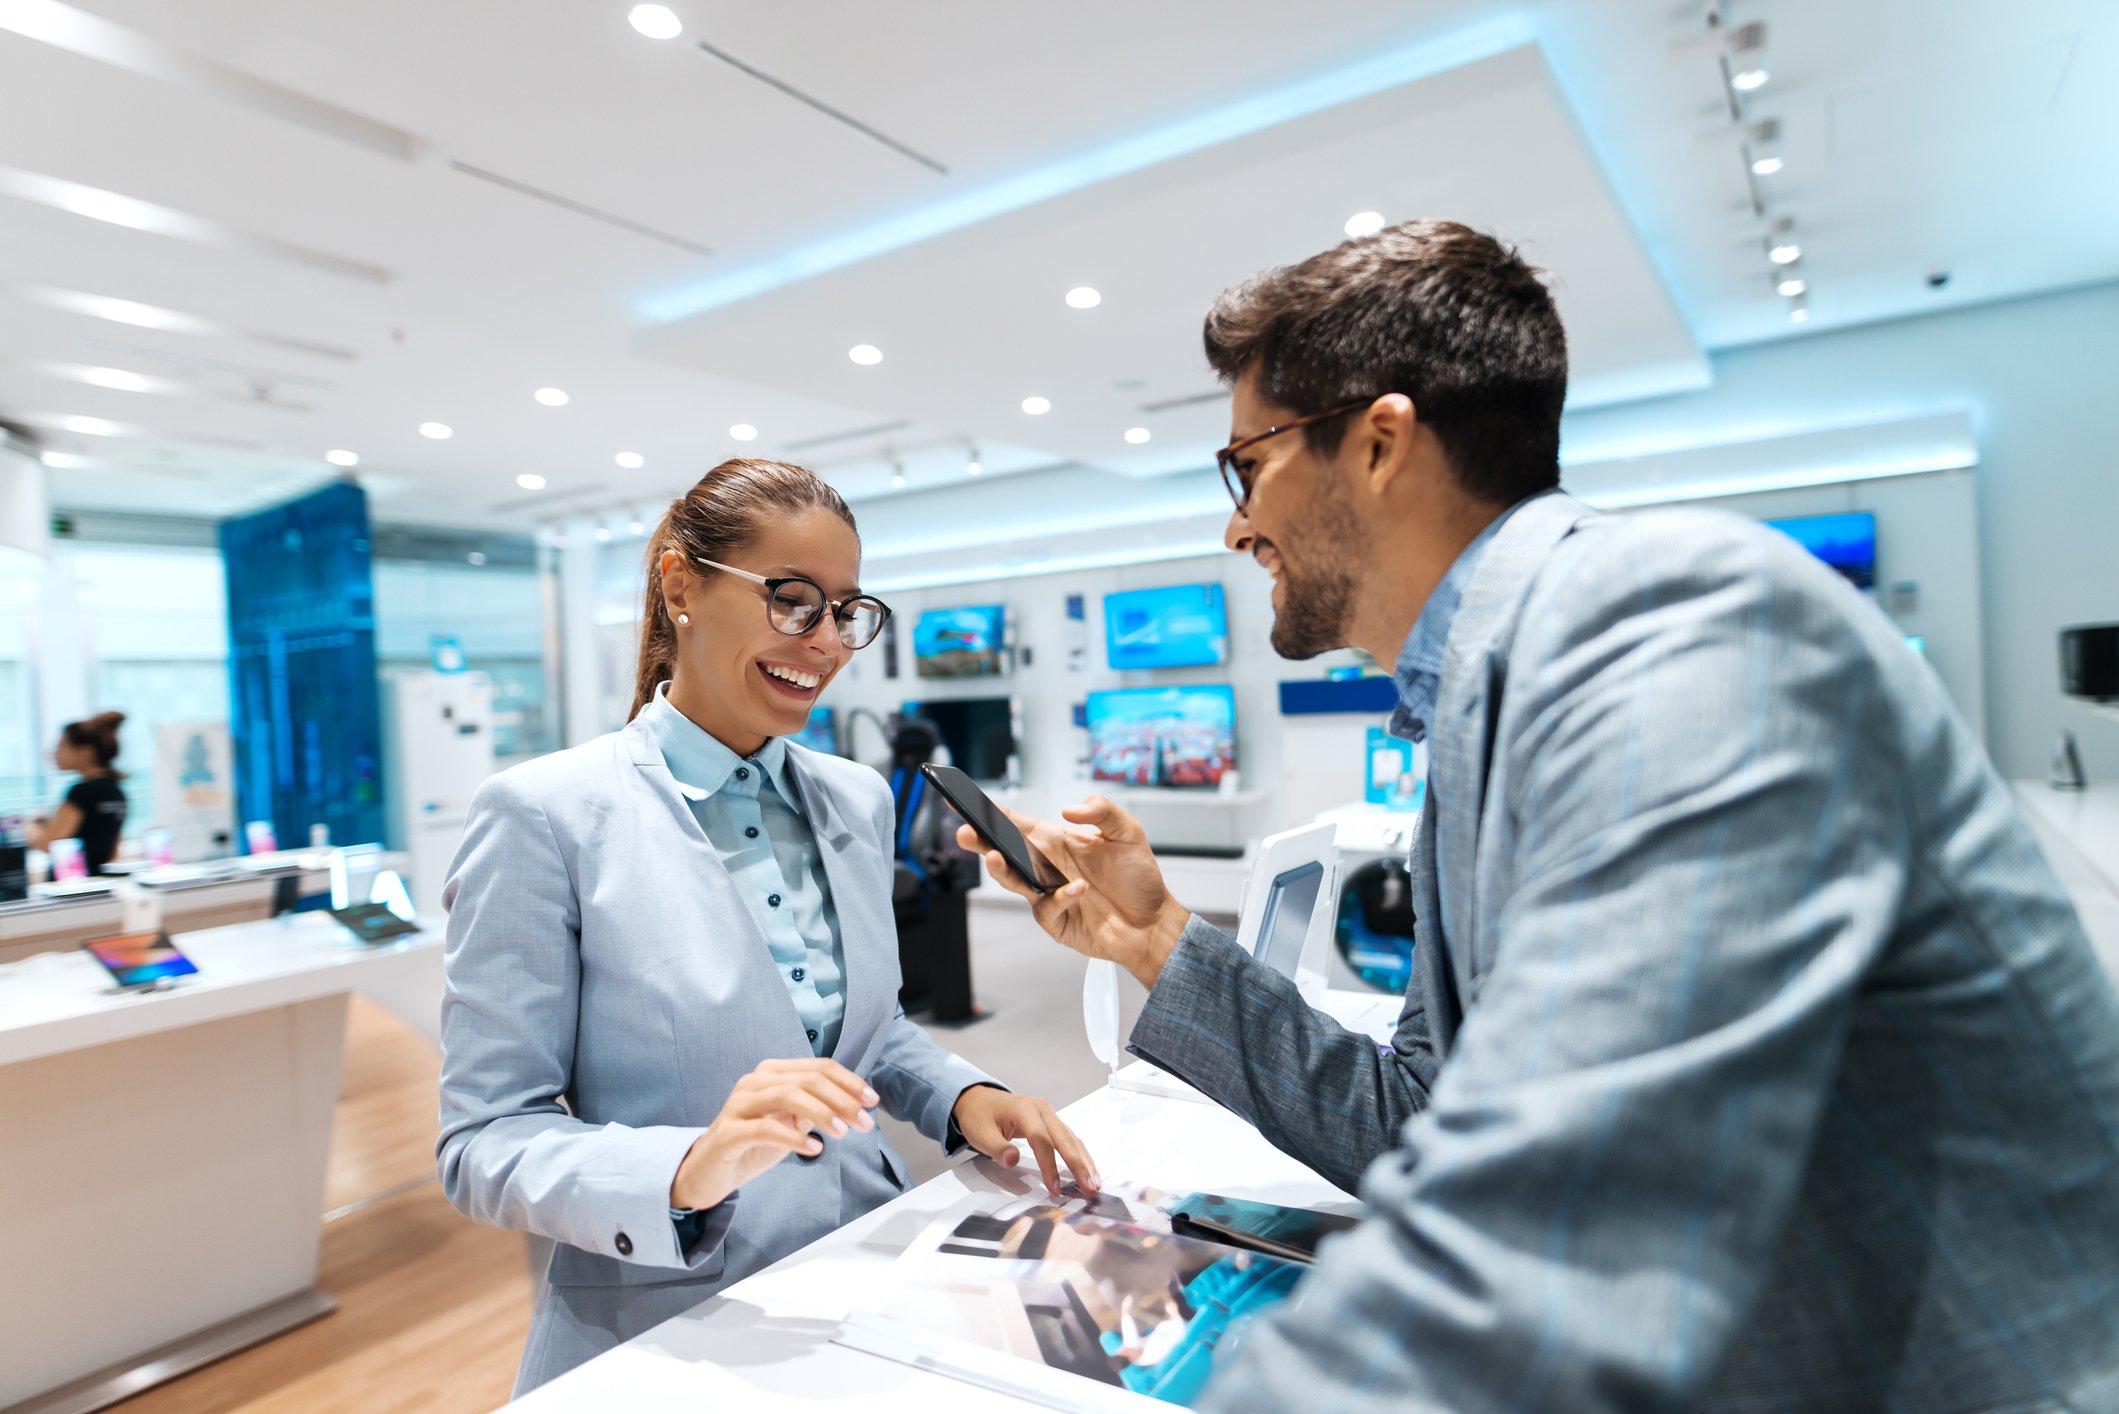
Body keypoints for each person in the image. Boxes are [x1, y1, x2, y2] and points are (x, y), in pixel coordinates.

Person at [965, 221, 2119, 1411]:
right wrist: (1153, 937)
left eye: (1244, 464)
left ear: (1378, 441)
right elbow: (1418, 1121)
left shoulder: (1672, 626)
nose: (1235, 524)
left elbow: (1570, 1225)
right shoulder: (1481, 707)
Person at [439, 458, 1097, 1395]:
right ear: (680, 586)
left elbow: (869, 1037)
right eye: (792, 601)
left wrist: (961, 1098)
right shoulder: (543, 815)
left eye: (845, 612)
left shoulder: (854, 798)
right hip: (665, 1326)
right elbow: (484, 1141)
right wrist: (690, 1165)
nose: (825, 642)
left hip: (872, 1273)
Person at [27, 712, 128, 874]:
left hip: (71, 889)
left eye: (62, 746)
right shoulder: (116, 792)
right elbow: (110, 850)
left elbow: (48, 844)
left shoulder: (82, 792)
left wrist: (31, 828)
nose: (55, 754)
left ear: (85, 753)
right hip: (99, 885)